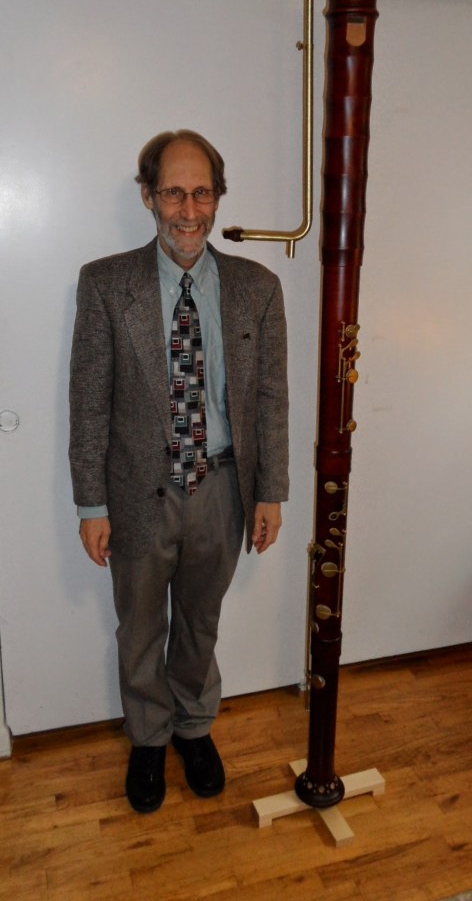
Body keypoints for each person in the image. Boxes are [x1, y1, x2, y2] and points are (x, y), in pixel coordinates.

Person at [69, 129, 289, 813]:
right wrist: (91, 504)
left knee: (199, 620)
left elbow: (270, 398)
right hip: (139, 491)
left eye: (202, 193)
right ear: (148, 197)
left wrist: (272, 492)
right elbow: (89, 401)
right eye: (173, 193)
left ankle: (193, 726)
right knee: (139, 626)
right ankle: (147, 736)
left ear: (218, 197)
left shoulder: (258, 288)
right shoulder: (106, 284)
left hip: (222, 488)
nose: (188, 211)